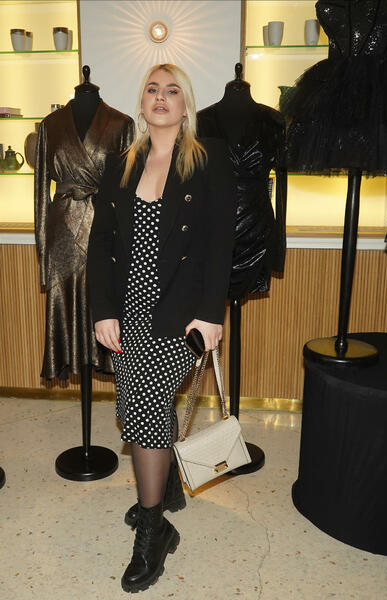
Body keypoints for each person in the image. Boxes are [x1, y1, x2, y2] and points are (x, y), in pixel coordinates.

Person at [87, 63, 235, 593]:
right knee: (135, 406)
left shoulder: (208, 158)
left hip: (181, 313)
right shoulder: (121, 164)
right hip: (129, 312)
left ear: (185, 104)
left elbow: (219, 242)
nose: (161, 97)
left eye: (172, 90)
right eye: (152, 89)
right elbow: (102, 243)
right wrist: (102, 310)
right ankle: (167, 489)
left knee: (147, 412)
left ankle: (154, 530)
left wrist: (212, 314)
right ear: (142, 102)